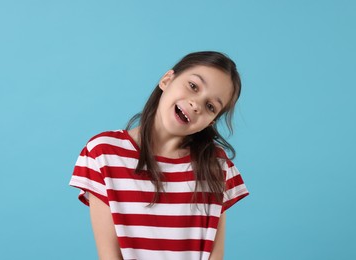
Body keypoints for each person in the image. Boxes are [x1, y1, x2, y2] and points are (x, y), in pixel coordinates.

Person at [69, 51, 249, 260]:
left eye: (210, 106)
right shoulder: (103, 153)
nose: (196, 104)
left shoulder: (217, 166)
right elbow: (109, 256)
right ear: (167, 80)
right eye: (193, 86)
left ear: (210, 122)